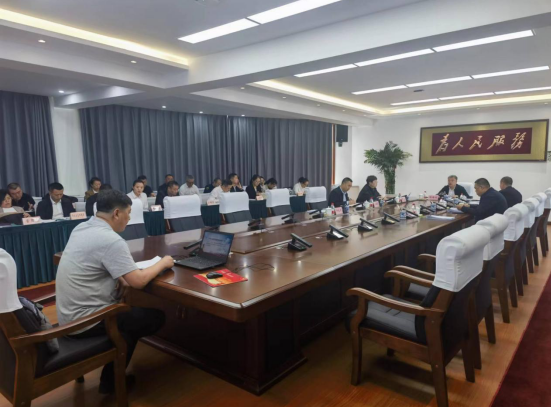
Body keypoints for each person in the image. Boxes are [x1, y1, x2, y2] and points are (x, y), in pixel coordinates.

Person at [56, 189, 174, 394]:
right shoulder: (111, 240)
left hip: (66, 315)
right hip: (86, 321)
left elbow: (94, 263)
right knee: (153, 318)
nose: (129, 218)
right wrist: (164, 262)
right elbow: (138, 282)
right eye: (128, 213)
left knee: (128, 319)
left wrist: (119, 276)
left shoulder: (81, 227)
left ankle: (112, 376)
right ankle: (111, 380)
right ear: (117, 213)